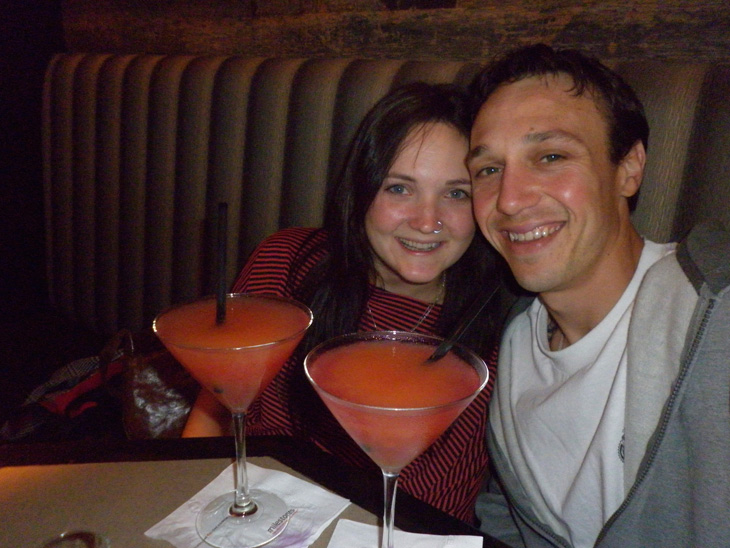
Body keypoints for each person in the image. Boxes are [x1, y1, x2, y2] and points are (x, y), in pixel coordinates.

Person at [183, 82, 513, 523]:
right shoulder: (286, 263)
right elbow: (213, 412)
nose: (427, 221)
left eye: (457, 193)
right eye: (399, 188)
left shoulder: (509, 321)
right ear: (361, 190)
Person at [467, 43, 730, 547]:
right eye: (489, 170)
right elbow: (507, 518)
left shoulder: (711, 324)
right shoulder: (510, 339)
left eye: (550, 156)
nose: (509, 200)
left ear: (628, 168)